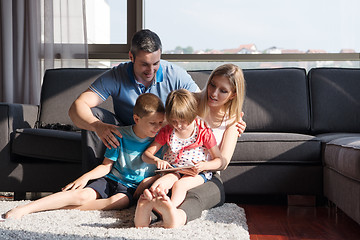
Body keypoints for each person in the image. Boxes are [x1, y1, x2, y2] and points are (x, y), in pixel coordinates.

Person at [4, 93, 165, 219]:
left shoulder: (161, 141)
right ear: (136, 119)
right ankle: (26, 208)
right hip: (111, 180)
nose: (158, 127)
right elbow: (106, 166)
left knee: (119, 201)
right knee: (82, 195)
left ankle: (53, 209)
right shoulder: (120, 135)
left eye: (160, 123)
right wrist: (85, 178)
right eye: (153, 123)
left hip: (130, 190)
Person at [135, 63, 246, 228]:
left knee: (193, 197)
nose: (214, 93)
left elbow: (223, 161)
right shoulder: (188, 102)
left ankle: (175, 217)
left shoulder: (232, 121)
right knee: (158, 191)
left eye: (223, 91)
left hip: (204, 175)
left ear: (233, 95)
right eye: (212, 85)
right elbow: (164, 126)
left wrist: (202, 166)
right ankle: (144, 216)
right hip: (175, 169)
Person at [134, 89, 226, 228]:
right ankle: (147, 206)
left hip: (198, 172)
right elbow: (146, 155)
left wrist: (203, 166)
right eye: (174, 121)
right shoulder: (168, 130)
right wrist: (157, 160)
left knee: (180, 186)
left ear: (193, 115)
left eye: (183, 122)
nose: (179, 126)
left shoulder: (203, 131)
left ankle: (168, 208)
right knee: (160, 184)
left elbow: (219, 160)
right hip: (174, 170)